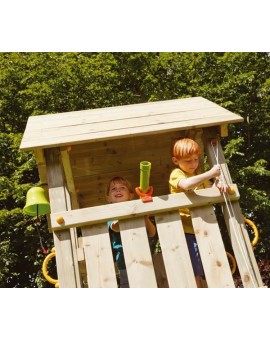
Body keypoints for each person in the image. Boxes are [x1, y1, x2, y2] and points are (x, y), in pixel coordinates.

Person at [169, 138, 228, 287]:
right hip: (186, 230)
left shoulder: (198, 176)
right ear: (176, 160)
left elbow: (210, 190)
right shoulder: (177, 173)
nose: (193, 164)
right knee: (194, 269)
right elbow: (187, 185)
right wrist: (210, 173)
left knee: (211, 263)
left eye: (195, 159)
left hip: (204, 228)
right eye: (188, 161)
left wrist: (218, 184)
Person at [105, 176, 156, 288]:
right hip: (124, 262)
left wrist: (145, 219)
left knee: (147, 284)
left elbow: (152, 233)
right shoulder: (111, 214)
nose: (118, 190)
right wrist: (129, 215)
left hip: (144, 258)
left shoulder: (136, 212)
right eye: (113, 189)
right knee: (128, 285)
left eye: (122, 188)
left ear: (131, 195)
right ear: (108, 198)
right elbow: (115, 227)